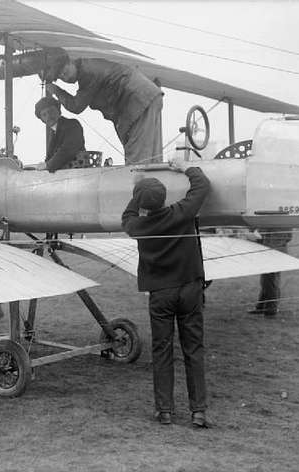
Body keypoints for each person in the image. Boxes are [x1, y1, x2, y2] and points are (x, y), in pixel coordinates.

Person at [121, 159, 211, 427]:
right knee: (193, 348)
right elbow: (201, 185)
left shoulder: (138, 226)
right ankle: (198, 411)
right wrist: (185, 167)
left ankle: (165, 411)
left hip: (160, 294)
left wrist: (136, 191)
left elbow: (127, 217)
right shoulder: (181, 212)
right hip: (189, 289)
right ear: (163, 197)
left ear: (142, 204)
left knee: (162, 350)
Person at [43, 55, 163, 166]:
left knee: (137, 160)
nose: (66, 78)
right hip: (147, 97)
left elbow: (76, 106)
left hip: (138, 102)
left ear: (71, 62)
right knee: (152, 157)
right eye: (61, 77)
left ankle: (141, 185)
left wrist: (56, 90)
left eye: (65, 72)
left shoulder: (88, 72)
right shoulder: (89, 66)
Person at [247, 227, 293, 318]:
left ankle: (271, 310)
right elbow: (289, 237)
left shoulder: (273, 224)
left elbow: (263, 238)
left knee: (270, 282)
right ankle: (261, 307)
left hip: (272, 254)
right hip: (276, 253)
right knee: (267, 281)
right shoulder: (282, 223)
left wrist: (256, 238)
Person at [33, 96, 86, 172]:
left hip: (78, 171)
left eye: (51, 111)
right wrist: (44, 164)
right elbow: (50, 157)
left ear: (59, 110)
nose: (48, 116)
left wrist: (48, 165)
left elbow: (67, 150)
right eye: (44, 115)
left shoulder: (72, 125)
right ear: (42, 120)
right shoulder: (54, 132)